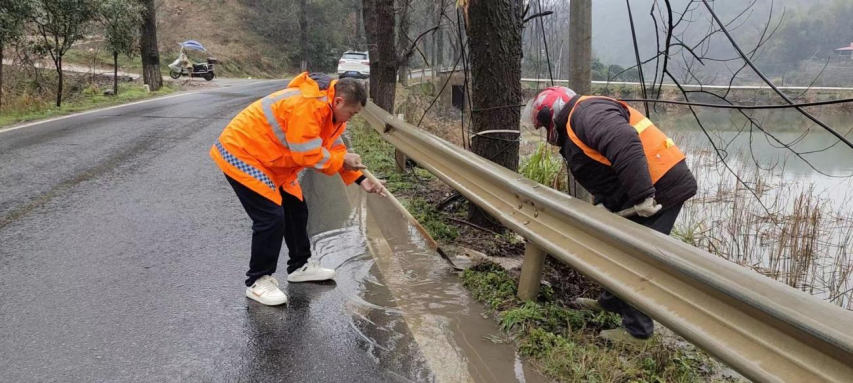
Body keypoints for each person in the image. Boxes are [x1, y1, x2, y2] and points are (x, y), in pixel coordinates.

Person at [524, 86, 698, 344]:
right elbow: (600, 165)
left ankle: (637, 332)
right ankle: (611, 302)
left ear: (552, 114)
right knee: (614, 246)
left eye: (544, 126)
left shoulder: (587, 114)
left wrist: (642, 195)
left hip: (659, 188)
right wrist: (603, 201)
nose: (546, 133)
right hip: (641, 189)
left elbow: (624, 141)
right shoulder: (577, 120)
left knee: (636, 256)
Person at [210, 73, 386, 306]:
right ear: (339, 101)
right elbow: (307, 154)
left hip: (274, 161)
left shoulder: (333, 115)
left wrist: (360, 179)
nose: (351, 119)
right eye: (352, 113)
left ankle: (299, 266)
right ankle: (258, 281)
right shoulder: (308, 105)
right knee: (270, 218)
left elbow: (335, 150)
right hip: (243, 153)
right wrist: (343, 160)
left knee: (296, 209)